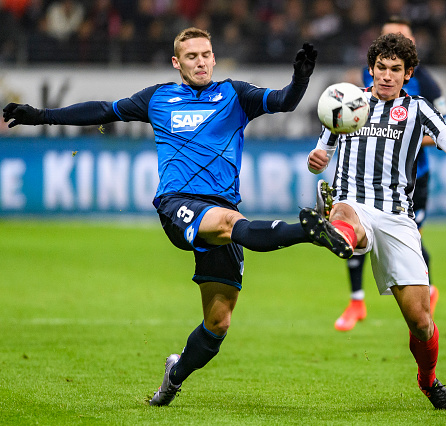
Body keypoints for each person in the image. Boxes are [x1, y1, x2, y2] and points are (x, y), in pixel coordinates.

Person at [3, 27, 354, 407]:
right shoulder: (157, 98)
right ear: (177, 62)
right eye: (191, 56)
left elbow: (284, 102)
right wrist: (41, 116)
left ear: (214, 58)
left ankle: (174, 377)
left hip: (223, 208)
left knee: (218, 323)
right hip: (178, 204)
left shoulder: (235, 95)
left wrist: (300, 78)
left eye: (205, 55)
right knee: (229, 225)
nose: (200, 62)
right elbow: (104, 110)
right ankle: (311, 231)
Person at [307, 32, 446, 410]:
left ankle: (428, 381)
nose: (386, 75)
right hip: (353, 203)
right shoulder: (345, 100)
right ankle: (335, 230)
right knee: (346, 216)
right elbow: (321, 154)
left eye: (395, 69)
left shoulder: (418, 109)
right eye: (381, 68)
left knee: (421, 321)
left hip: (397, 216)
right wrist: (316, 160)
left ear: (408, 74)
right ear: (370, 69)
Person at [333, 16, 446, 332]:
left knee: (411, 239)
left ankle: (425, 291)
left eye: (403, 38)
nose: (387, 72)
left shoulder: (426, 83)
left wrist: (403, 135)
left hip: (411, 178)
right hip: (363, 178)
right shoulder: (368, 80)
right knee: (354, 227)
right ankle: (356, 301)